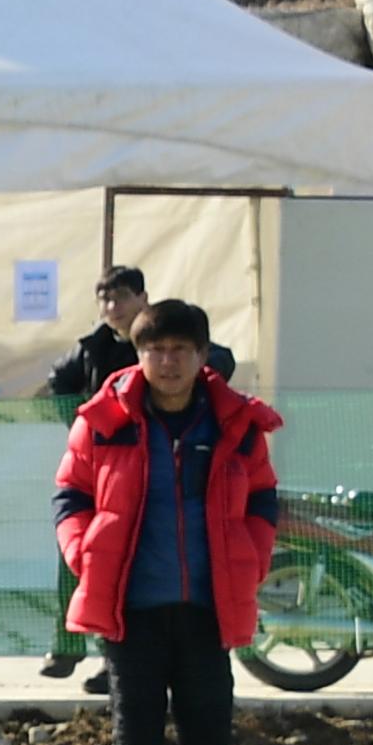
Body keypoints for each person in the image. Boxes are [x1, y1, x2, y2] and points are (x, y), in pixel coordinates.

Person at [54, 299, 283, 745]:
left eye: (180, 349)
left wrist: (251, 558)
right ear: (139, 355)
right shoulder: (101, 420)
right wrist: (84, 552)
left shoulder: (237, 424)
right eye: (155, 349)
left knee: (208, 730)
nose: (167, 361)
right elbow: (71, 496)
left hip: (209, 604)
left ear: (203, 356)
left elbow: (263, 498)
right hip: (130, 606)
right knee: (136, 734)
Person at [39, 267, 234, 681]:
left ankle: (113, 664)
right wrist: (85, 419)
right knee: (85, 563)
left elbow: (220, 359)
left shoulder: (167, 335)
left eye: (121, 298)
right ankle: (70, 645)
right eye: (105, 300)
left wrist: (190, 395)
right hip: (110, 469)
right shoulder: (93, 347)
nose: (113, 308)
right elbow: (59, 381)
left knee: (141, 572)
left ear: (142, 298)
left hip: (160, 472)